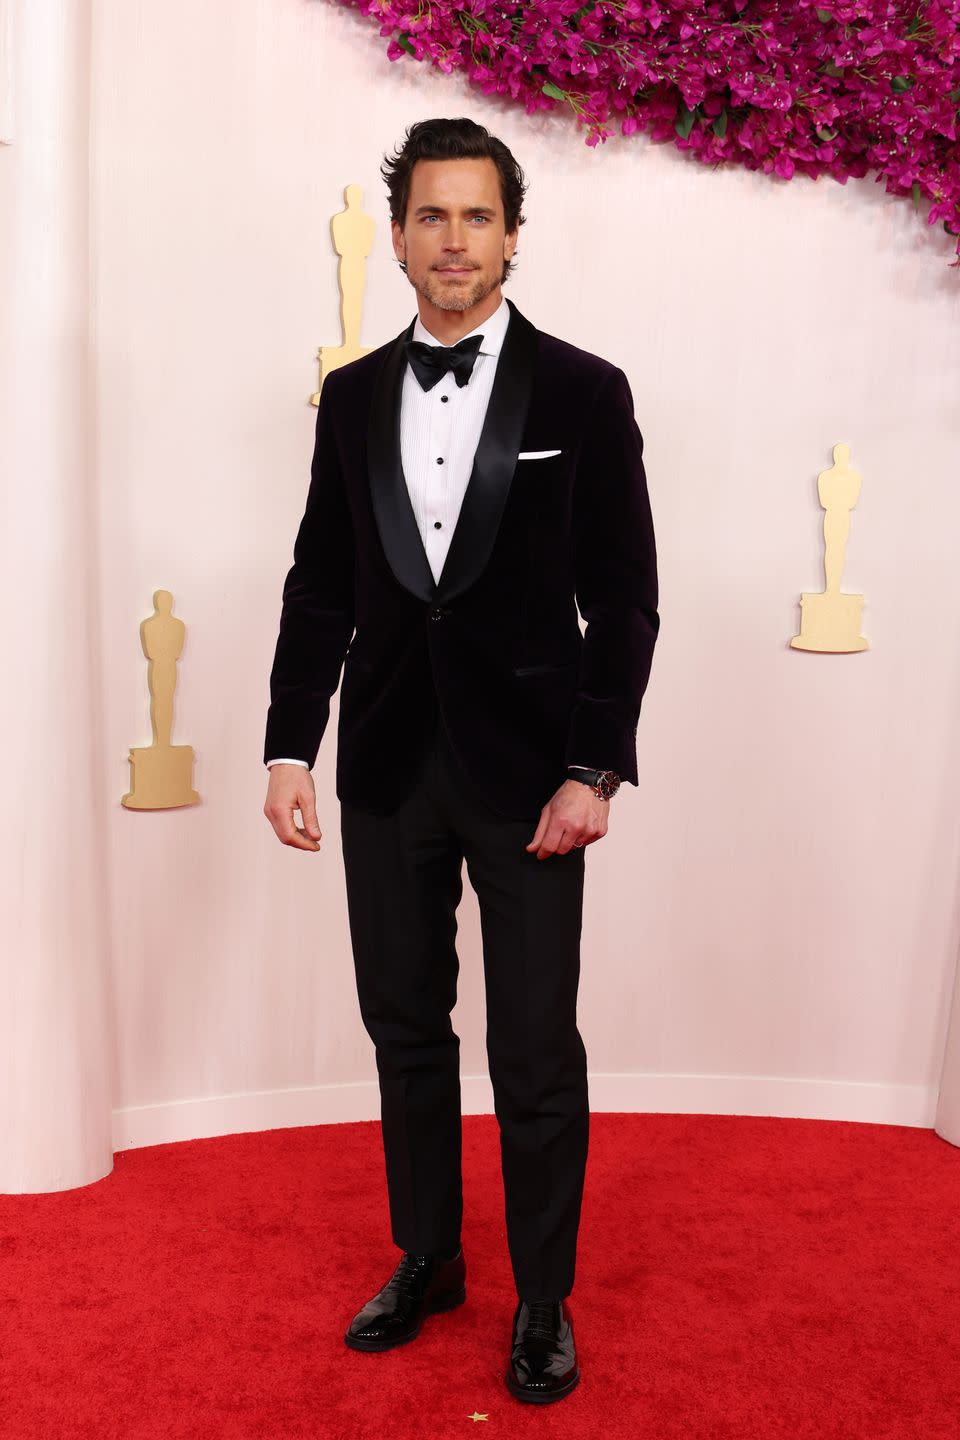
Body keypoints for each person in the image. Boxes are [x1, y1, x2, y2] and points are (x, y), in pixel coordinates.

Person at [262, 115, 659, 1405]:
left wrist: (593, 771)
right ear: (399, 236)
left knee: (536, 1045)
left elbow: (627, 599)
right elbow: (321, 585)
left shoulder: (587, 393)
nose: (453, 240)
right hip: (384, 765)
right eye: (430, 216)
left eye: (476, 216)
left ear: (512, 235)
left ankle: (542, 1298)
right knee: (404, 1030)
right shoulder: (354, 394)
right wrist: (288, 743)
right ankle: (429, 1254)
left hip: (534, 776)